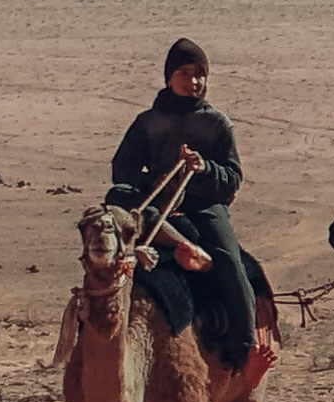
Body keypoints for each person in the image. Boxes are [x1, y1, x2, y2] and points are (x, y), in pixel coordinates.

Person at [106, 36, 261, 374]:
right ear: (169, 78)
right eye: (185, 73)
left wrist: (205, 168)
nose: (193, 81)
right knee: (107, 249)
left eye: (199, 74)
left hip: (204, 207)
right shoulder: (148, 122)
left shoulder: (216, 123)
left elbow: (232, 177)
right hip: (156, 208)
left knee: (229, 262)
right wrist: (153, 182)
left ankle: (244, 347)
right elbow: (122, 169)